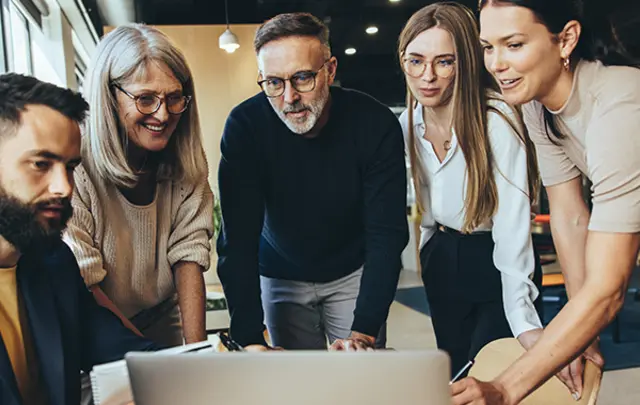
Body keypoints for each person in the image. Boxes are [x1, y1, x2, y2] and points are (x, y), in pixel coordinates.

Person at [452, 0, 640, 404]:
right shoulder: (539, 106)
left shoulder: (621, 105)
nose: (496, 63)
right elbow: (570, 217)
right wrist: (579, 333)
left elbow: (609, 289)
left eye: (514, 45)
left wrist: (505, 388)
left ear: (566, 39)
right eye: (488, 47)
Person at [217, 12, 408, 351]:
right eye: (274, 82)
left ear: (330, 70)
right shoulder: (245, 127)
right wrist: (249, 340)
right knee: (297, 384)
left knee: (359, 380)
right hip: (280, 272)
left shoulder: (374, 123)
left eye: (302, 78)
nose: (289, 97)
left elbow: (386, 234)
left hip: (352, 271)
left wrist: (363, 331)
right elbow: (238, 240)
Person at [397, 2, 543, 378]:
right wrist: (429, 249)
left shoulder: (496, 119)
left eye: (444, 61)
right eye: (416, 61)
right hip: (442, 256)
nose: (427, 76)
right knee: (455, 373)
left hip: (493, 257)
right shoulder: (407, 122)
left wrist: (524, 320)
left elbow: (513, 225)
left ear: (467, 61)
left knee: (491, 375)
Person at [0, 73, 156, 405]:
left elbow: (113, 346)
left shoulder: (54, 261)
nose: (64, 187)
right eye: (41, 164)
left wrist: (212, 365)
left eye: (70, 166)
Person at [63, 23, 214, 348]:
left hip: (161, 313)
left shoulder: (186, 157)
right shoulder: (75, 162)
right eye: (145, 99)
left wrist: (196, 352)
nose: (162, 115)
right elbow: (86, 281)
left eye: (174, 98)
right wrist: (147, 354)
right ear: (109, 95)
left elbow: (189, 254)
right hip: (93, 315)